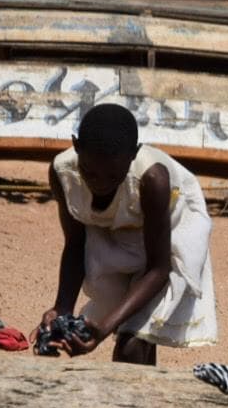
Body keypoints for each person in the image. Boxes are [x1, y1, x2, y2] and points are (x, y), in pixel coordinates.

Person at [37, 104, 218, 365]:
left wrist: (104, 328)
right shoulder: (63, 173)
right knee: (133, 335)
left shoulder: (152, 179)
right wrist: (61, 310)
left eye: (113, 175)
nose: (99, 183)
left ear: (133, 155)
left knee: (133, 343)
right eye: (89, 172)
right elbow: (76, 244)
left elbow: (158, 268)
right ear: (75, 147)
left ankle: (138, 401)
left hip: (170, 234)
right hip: (115, 233)